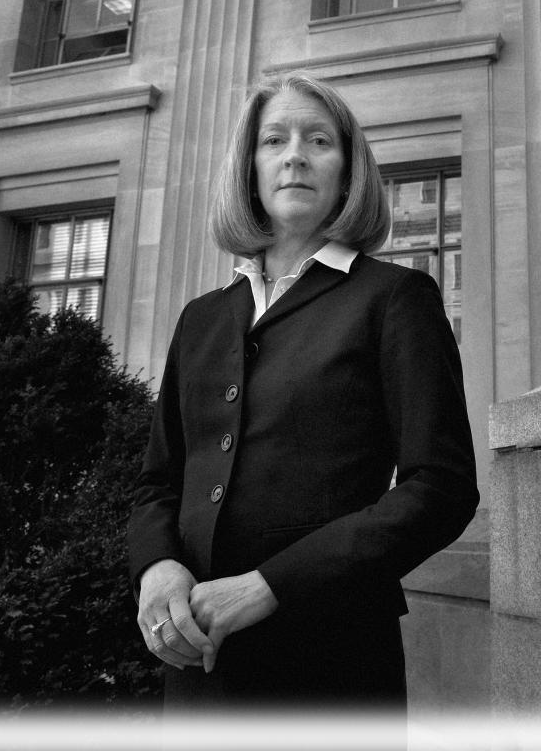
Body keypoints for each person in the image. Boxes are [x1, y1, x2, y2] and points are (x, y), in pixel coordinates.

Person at [126, 72, 478, 711]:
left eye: (319, 140)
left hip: (331, 660)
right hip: (197, 662)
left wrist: (266, 586)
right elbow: (159, 481)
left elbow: (441, 487)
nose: (295, 154)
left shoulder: (394, 299)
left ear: (348, 170)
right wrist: (157, 570)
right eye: (274, 140)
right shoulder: (202, 318)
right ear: (249, 167)